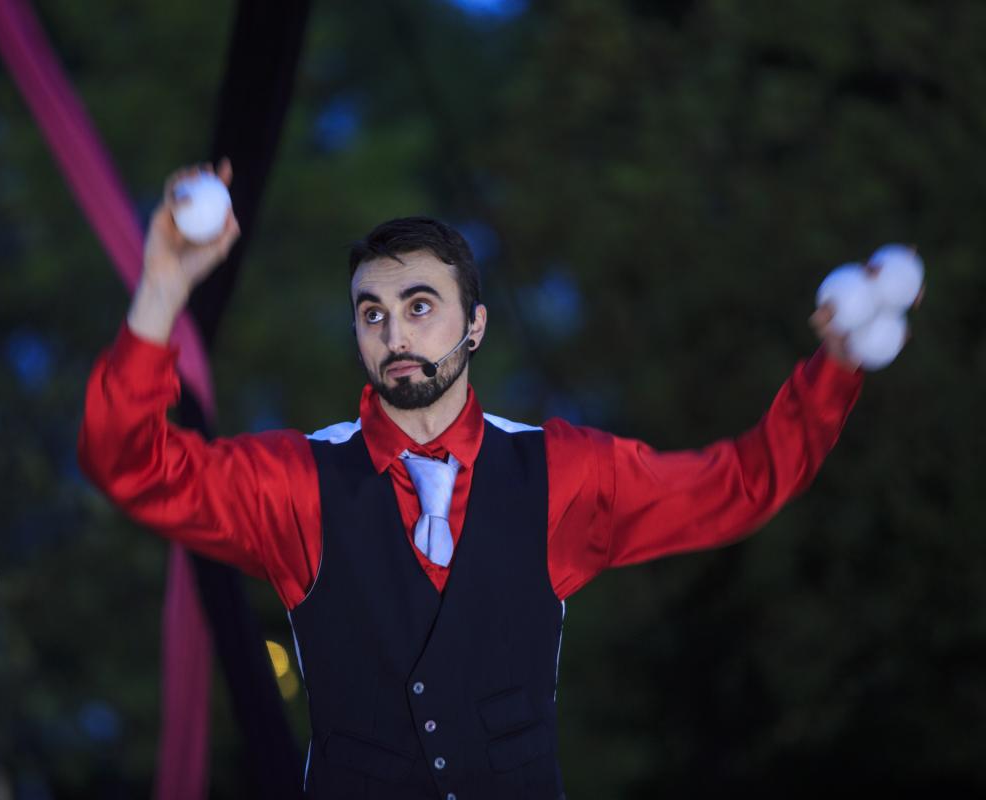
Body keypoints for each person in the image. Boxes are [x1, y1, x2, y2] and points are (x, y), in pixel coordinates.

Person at [78, 160, 881, 800]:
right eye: (372, 313)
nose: (395, 333)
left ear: (476, 324)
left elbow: (741, 485)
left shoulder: (562, 470)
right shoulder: (297, 480)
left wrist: (835, 370)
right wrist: (162, 290)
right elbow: (126, 464)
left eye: (420, 305)